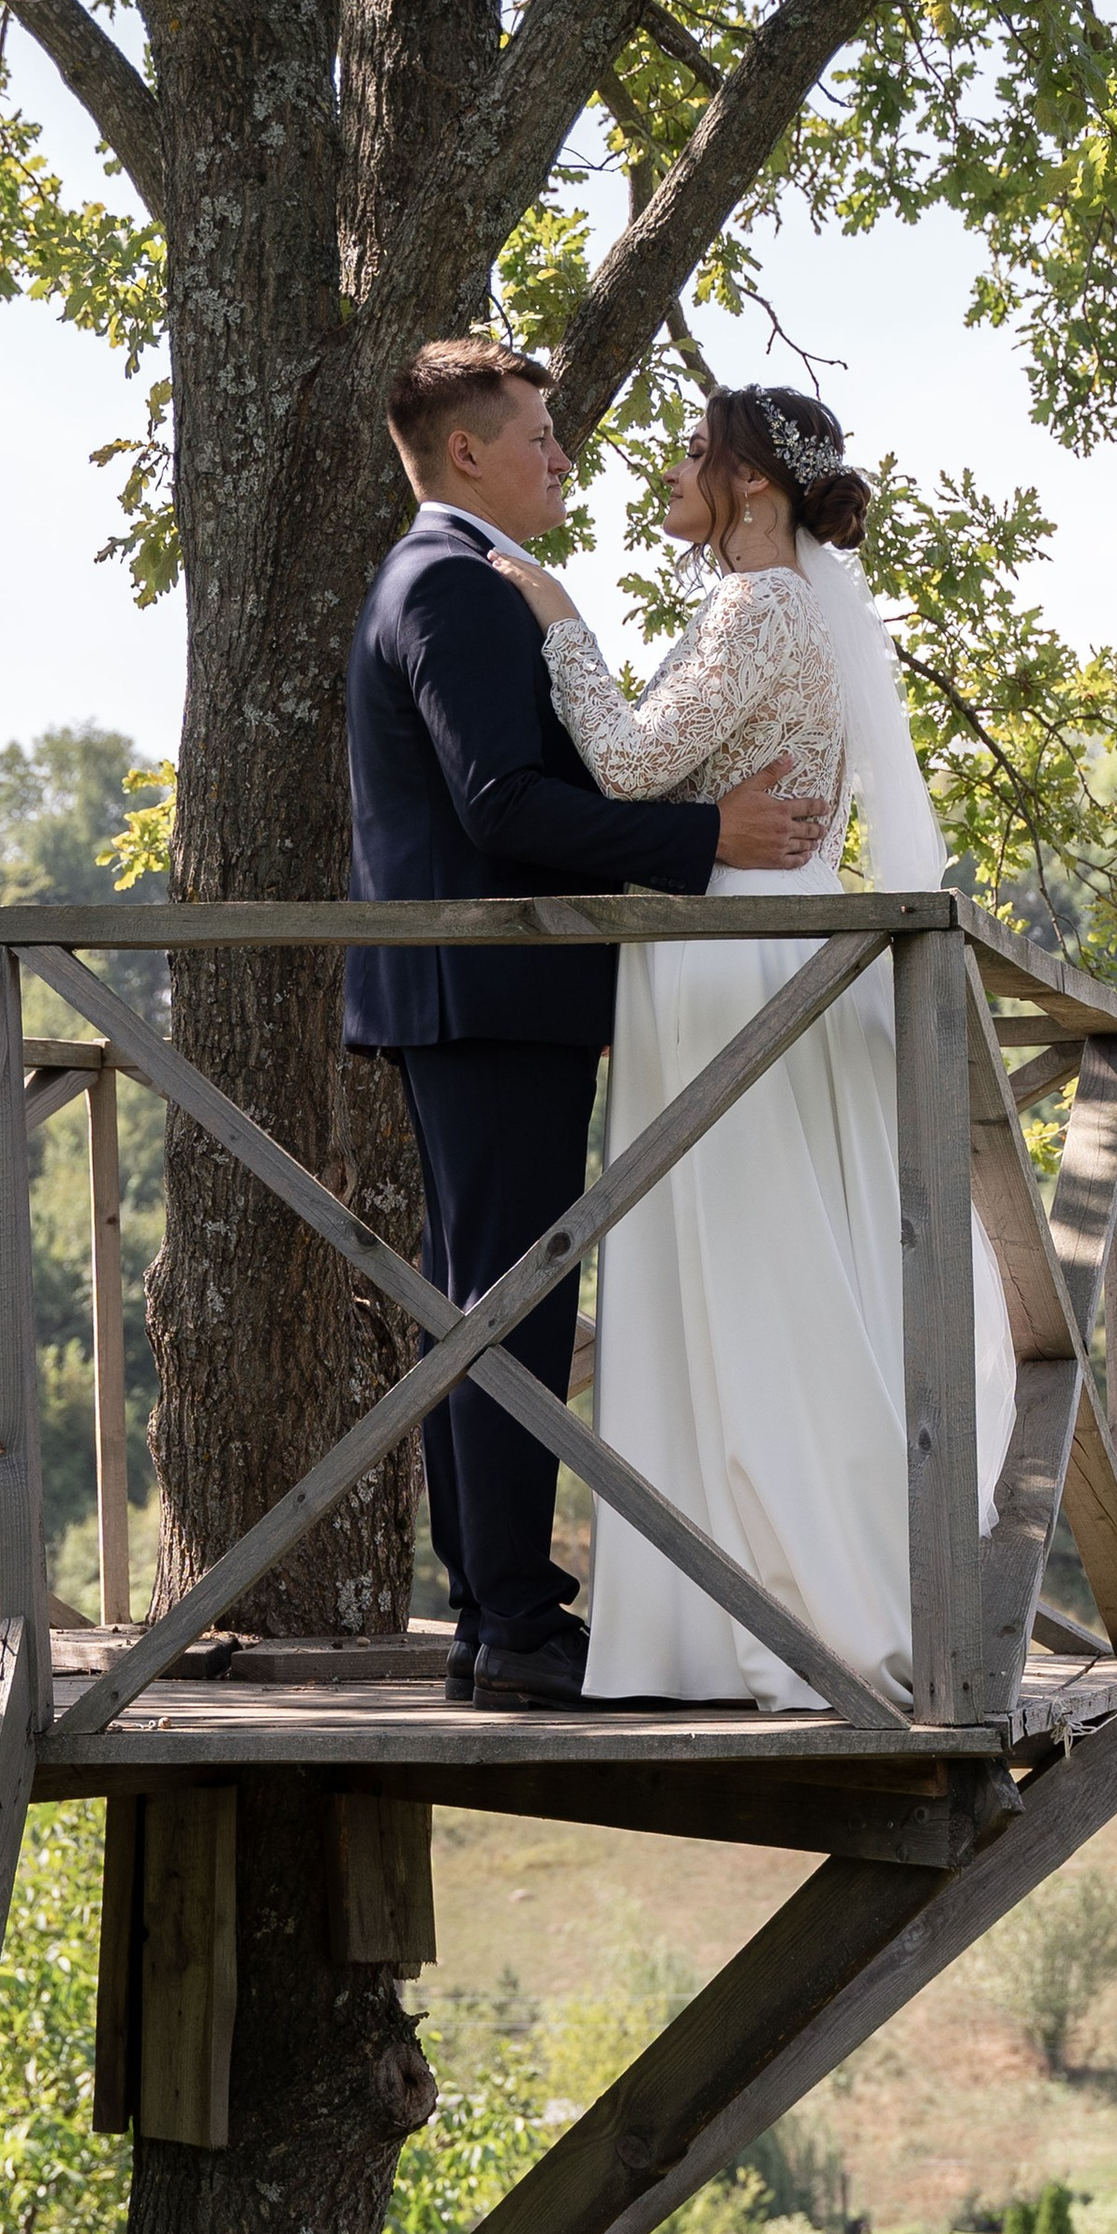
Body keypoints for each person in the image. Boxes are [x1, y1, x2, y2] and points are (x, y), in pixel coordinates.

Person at [487, 380, 1017, 1712]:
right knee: (761, 1261)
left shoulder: (759, 607)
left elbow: (626, 764)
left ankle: (788, 1606)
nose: (672, 472)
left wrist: (560, 619)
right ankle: (749, 1599)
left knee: (748, 1269)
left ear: (757, 483)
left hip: (733, 959)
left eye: (695, 452)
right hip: (765, 946)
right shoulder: (791, 610)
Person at [344, 338, 833, 1712]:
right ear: (466, 453)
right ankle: (512, 1619)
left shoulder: (456, 579)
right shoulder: (455, 585)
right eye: (541, 437)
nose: (566, 457)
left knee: (479, 1300)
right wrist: (705, 836)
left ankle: (488, 1613)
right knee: (510, 1303)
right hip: (489, 994)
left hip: (484, 995)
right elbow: (502, 803)